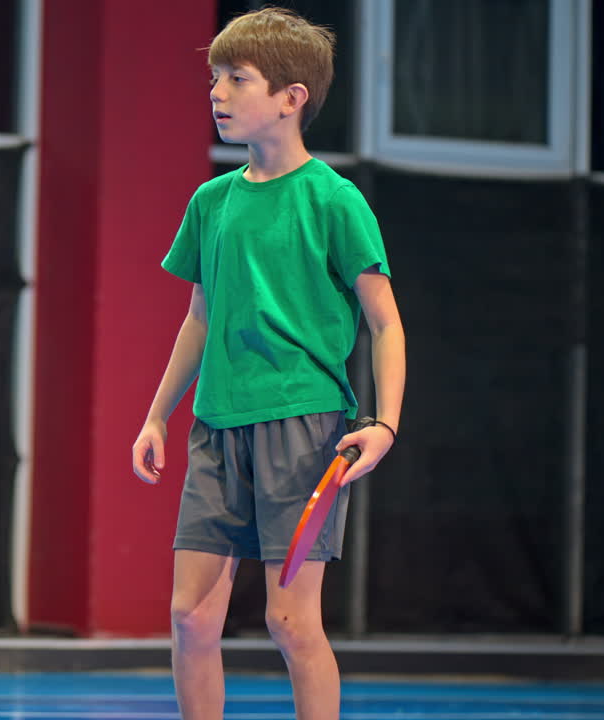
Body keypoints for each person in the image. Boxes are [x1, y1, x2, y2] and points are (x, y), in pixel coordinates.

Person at [130, 8, 406, 720]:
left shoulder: (336, 201)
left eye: (236, 78)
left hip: (304, 428)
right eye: (213, 77)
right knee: (190, 618)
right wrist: (158, 414)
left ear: (292, 97)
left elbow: (385, 324)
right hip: (216, 426)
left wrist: (384, 424)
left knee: (291, 622)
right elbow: (200, 315)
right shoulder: (211, 201)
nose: (217, 93)